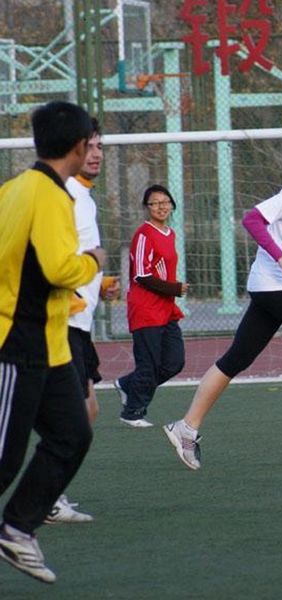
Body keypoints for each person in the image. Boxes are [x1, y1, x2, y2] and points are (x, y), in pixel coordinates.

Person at [163, 137, 282, 470]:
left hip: (277, 288)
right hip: (276, 284)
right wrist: (281, 258)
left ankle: (186, 428)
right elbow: (252, 219)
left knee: (237, 358)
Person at [0, 101, 106, 583]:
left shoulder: (17, 187)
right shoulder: (46, 195)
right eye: (92, 144)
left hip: (52, 345)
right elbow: (59, 268)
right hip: (17, 342)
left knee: (72, 434)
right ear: (80, 146)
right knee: (5, 459)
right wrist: (94, 261)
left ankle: (17, 528)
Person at [43, 118, 121, 525]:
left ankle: (50, 495)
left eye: (99, 147)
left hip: (79, 326)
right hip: (59, 324)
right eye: (87, 146)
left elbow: (76, 256)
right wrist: (66, 293)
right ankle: (46, 498)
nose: (95, 154)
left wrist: (99, 283)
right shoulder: (63, 194)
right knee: (70, 417)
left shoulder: (84, 198)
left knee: (85, 413)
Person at [114, 185, 187, 427]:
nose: (161, 207)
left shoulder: (170, 233)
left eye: (165, 202)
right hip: (146, 309)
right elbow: (141, 275)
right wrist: (174, 288)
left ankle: (127, 384)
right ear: (147, 207)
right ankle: (132, 412)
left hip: (167, 309)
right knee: (149, 364)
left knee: (174, 362)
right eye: (155, 203)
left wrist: (172, 291)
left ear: (172, 204)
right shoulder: (143, 235)